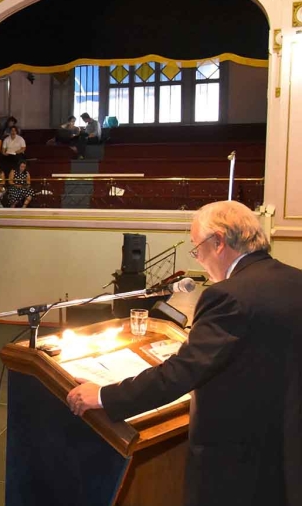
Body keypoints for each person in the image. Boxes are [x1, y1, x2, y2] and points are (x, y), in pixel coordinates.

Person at [66, 200, 302, 506]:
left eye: (197, 247)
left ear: (218, 242)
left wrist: (102, 396)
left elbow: (180, 373)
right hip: (286, 441)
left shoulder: (228, 295)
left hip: (239, 456)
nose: (199, 259)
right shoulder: (295, 279)